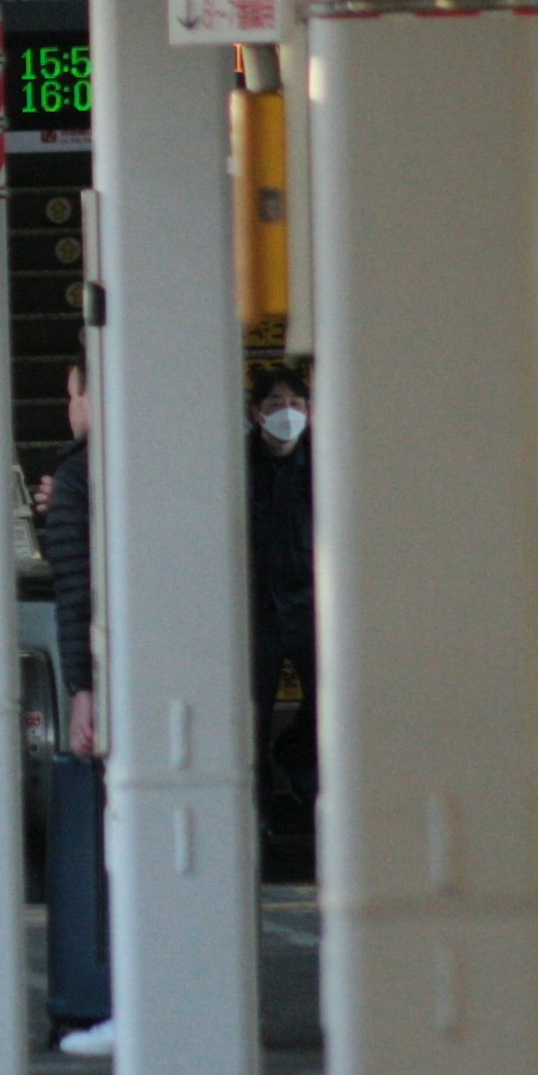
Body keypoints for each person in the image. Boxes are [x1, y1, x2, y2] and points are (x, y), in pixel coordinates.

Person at [40, 360, 112, 1053]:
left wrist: (81, 689)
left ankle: (124, 1002)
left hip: (117, 678)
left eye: (71, 396)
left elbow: (73, 593)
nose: (69, 410)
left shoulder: (78, 478)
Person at [246, 361, 318, 842]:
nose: (286, 413)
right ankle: (259, 808)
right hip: (256, 610)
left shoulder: (325, 463)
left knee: (328, 704)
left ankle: (303, 768)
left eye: (294, 404)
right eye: (275, 404)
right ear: (255, 412)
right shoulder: (235, 464)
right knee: (255, 712)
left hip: (313, 605)